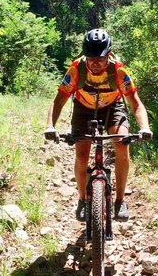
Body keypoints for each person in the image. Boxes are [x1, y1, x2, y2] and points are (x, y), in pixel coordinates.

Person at [44, 28, 152, 221]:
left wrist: (144, 128)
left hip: (113, 107)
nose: (94, 63)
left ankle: (119, 201)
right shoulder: (77, 69)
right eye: (90, 58)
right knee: (82, 155)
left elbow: (136, 103)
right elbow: (58, 101)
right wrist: (50, 126)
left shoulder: (118, 71)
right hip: (84, 108)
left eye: (100, 59)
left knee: (121, 142)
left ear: (108, 55)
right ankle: (82, 200)